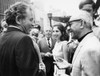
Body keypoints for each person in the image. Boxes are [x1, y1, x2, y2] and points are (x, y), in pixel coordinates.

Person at [55, 10, 100, 76]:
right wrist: (70, 66)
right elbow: (83, 69)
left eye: (70, 24)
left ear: (81, 23)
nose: (68, 28)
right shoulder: (85, 41)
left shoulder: (90, 48)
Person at [0, 2, 40, 76]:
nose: (33, 24)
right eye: (30, 20)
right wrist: (42, 72)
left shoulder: (1, 37)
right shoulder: (24, 39)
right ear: (18, 19)